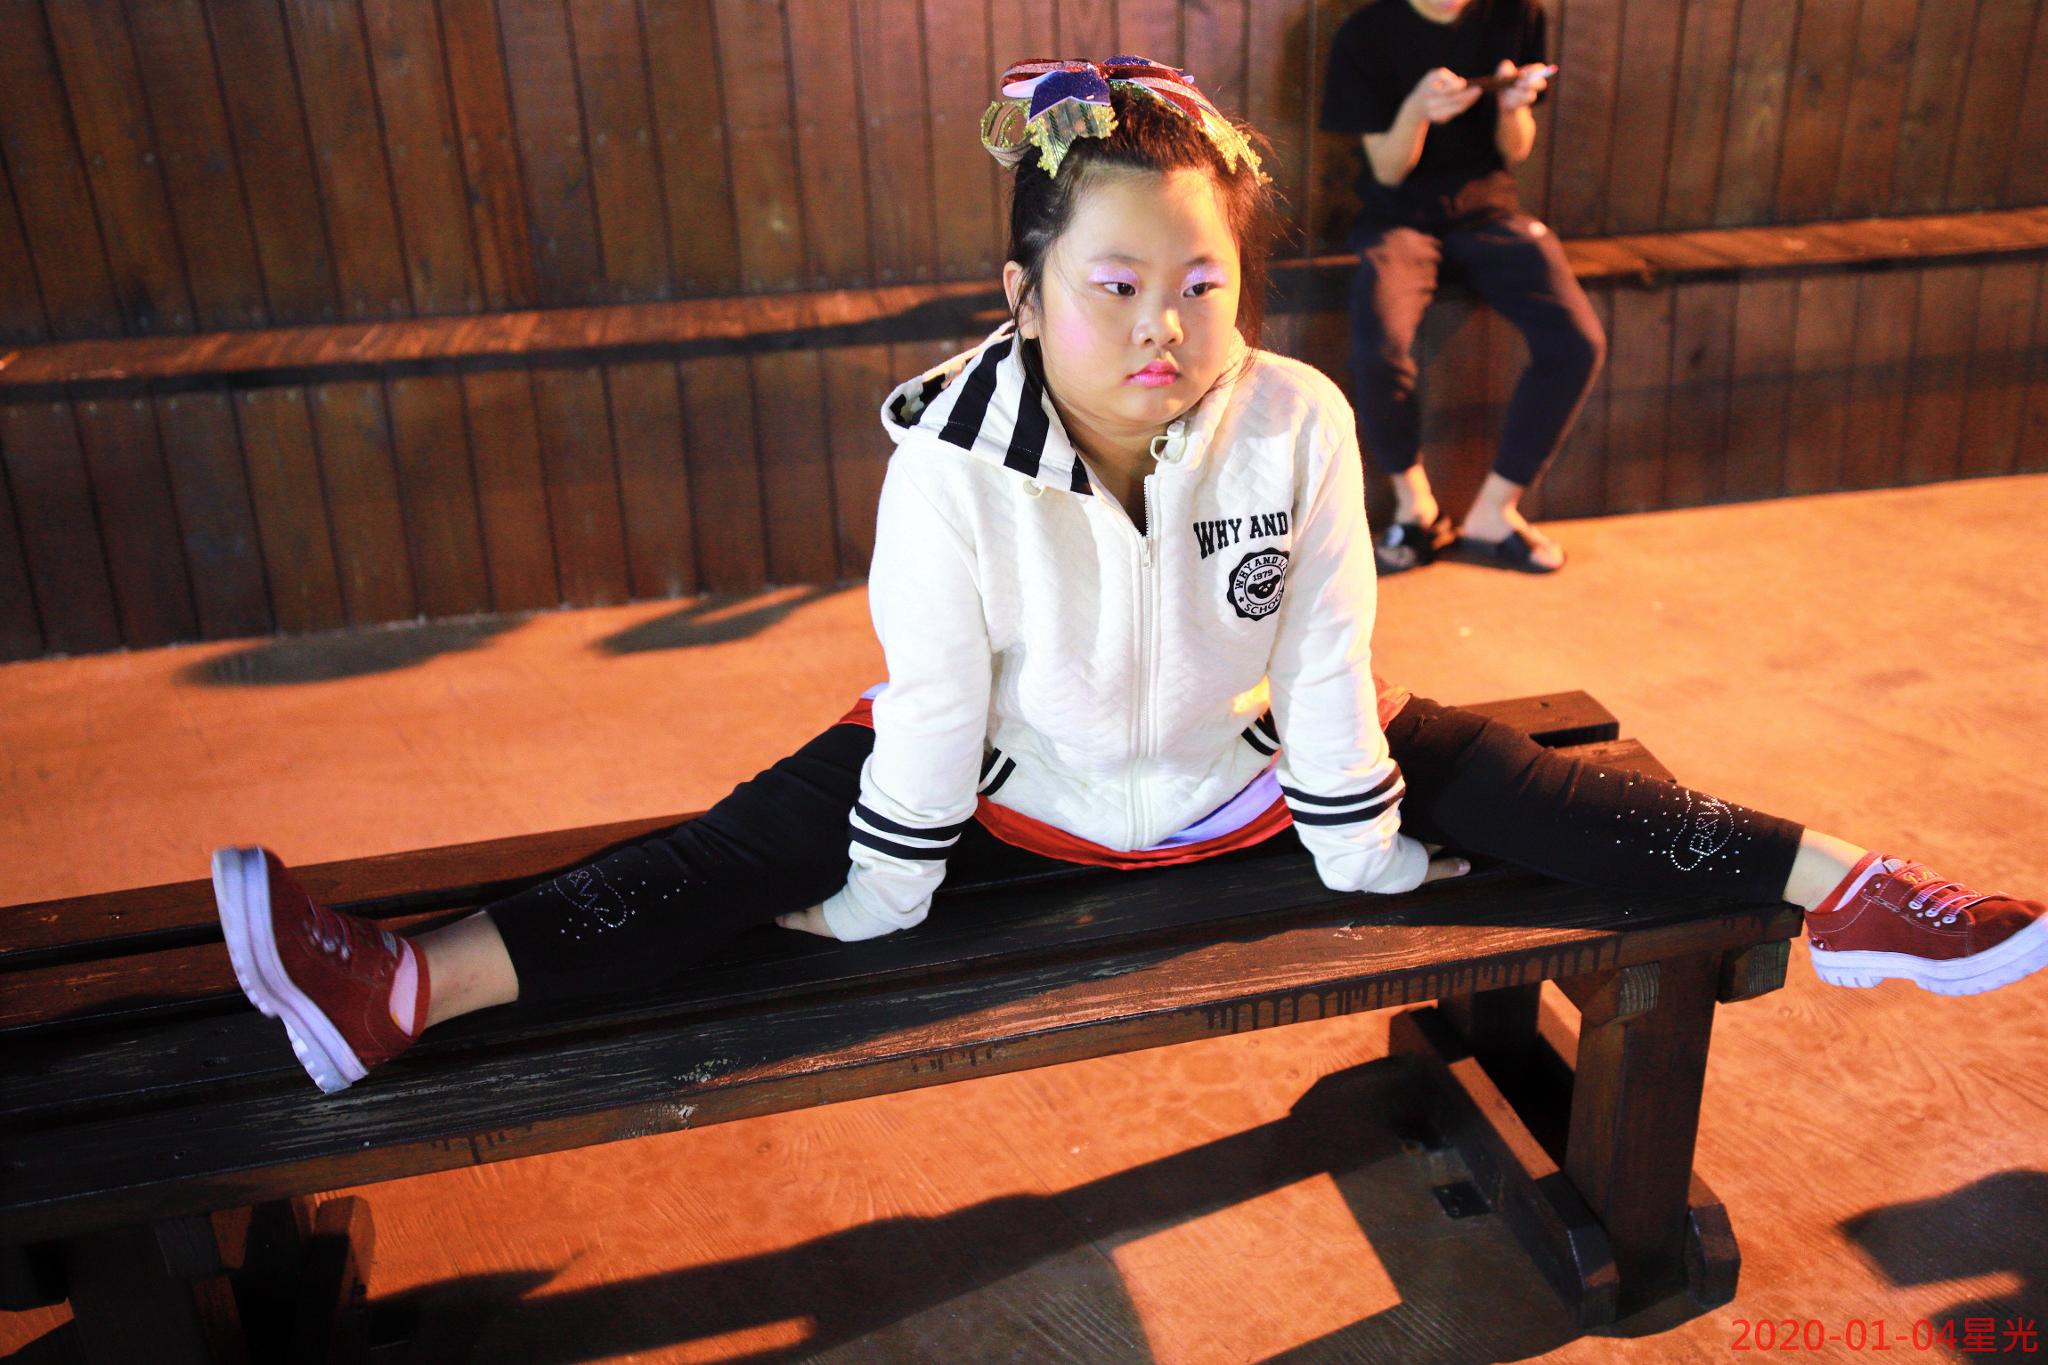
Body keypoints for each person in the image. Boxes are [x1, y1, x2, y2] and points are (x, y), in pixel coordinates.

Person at [212, 57, 2045, 1095]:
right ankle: (403, 989)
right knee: (738, 846)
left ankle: (1856, 891)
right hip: (1019, 797)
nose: (1163, 325)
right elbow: (937, 703)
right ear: (1021, 295)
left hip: (1247, 781)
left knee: (1512, 773)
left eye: (1200, 285)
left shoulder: (1298, 418)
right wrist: (881, 895)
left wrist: (1356, 848)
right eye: (1113, 286)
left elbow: (1327, 650)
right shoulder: (945, 459)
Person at [1321, 0, 1603, 574]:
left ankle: (1495, 511)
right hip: (1399, 216)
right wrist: (1416, 111)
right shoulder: (1367, 33)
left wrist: (1512, 106)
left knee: (1577, 340)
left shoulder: (1517, 14)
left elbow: (1514, 150)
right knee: (1380, 346)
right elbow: (1389, 170)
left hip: (1489, 213)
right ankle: (1415, 505)